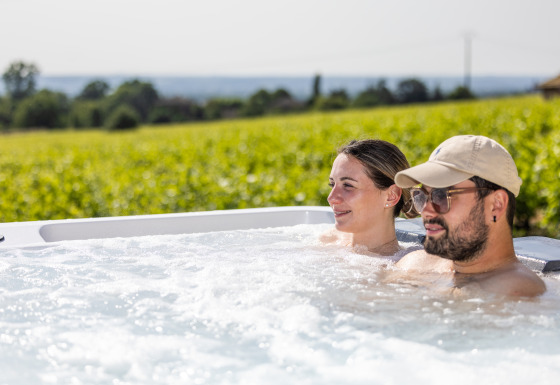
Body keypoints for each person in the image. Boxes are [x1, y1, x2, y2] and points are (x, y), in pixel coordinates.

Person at [394, 135, 546, 297]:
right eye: (421, 195)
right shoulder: (412, 265)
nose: (426, 210)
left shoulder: (514, 293)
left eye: (441, 195)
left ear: (496, 205)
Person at [320, 139, 419, 260]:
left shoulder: (405, 266)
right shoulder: (327, 241)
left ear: (391, 196)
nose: (331, 198)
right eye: (332, 184)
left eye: (348, 185)